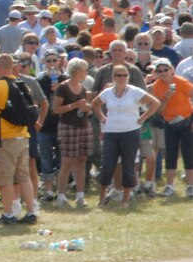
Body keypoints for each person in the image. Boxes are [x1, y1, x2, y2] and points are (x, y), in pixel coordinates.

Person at [91, 65, 160, 208]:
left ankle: (126, 199)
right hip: (111, 131)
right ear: (113, 77)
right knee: (108, 163)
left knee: (129, 164)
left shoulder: (134, 91)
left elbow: (155, 103)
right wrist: (102, 117)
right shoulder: (108, 92)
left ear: (128, 77)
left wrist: (142, 118)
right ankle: (102, 197)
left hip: (130, 131)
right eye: (118, 75)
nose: (122, 78)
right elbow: (95, 103)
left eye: (124, 75)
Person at [0, 54, 38, 225]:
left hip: (3, 139)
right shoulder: (21, 84)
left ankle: (8, 214)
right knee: (24, 177)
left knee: (5, 178)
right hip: (22, 136)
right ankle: (31, 212)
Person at [52, 58, 93, 208]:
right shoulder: (63, 87)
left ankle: (80, 195)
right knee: (67, 161)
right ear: (77, 70)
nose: (86, 73)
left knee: (82, 160)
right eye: (84, 70)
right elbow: (56, 109)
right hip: (68, 126)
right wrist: (75, 105)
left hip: (83, 125)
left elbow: (84, 109)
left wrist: (87, 107)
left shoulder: (82, 88)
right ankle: (61, 195)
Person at [151, 58, 193, 197]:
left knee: (189, 154)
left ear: (171, 70)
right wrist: (166, 98)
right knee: (170, 154)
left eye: (165, 69)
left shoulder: (181, 82)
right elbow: (159, 110)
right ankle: (169, 186)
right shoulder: (157, 86)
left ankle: (190, 186)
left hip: (187, 121)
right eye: (160, 70)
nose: (163, 73)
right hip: (169, 123)